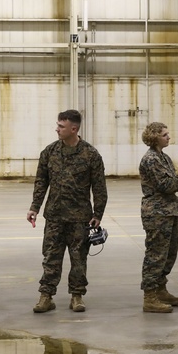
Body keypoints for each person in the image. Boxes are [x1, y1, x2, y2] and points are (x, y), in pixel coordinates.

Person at [27, 110, 108, 313]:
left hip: (80, 218)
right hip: (54, 216)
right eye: (57, 125)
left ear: (74, 129)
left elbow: (99, 188)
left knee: (79, 259)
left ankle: (77, 296)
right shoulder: (49, 152)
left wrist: (98, 214)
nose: (57, 129)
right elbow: (41, 182)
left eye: (61, 126)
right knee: (51, 258)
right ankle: (46, 296)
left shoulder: (91, 154)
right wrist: (34, 207)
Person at [139, 122, 178, 313]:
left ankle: (160, 289)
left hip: (168, 211)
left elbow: (172, 184)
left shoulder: (163, 157)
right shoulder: (151, 159)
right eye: (165, 134)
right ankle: (150, 297)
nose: (168, 137)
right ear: (155, 137)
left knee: (169, 255)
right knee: (155, 255)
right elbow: (167, 185)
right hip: (157, 213)